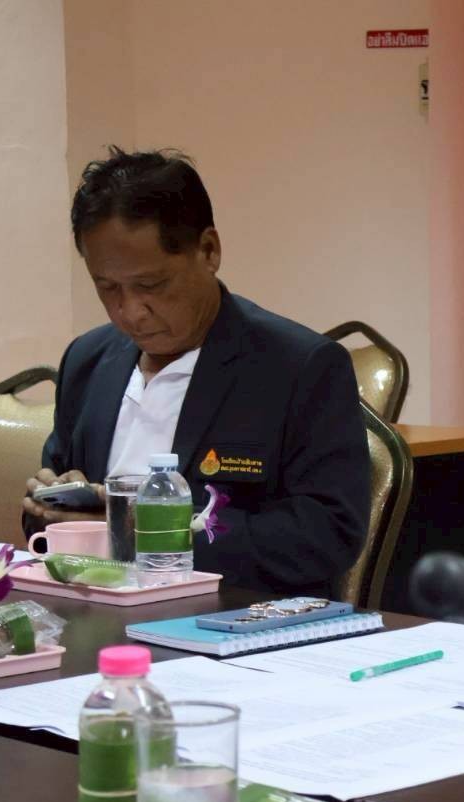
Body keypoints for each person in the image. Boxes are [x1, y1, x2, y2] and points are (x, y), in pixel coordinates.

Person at [22, 147, 372, 598]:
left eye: (151, 285)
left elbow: (327, 534)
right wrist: (50, 505)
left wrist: (154, 529)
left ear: (208, 250)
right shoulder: (88, 360)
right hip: (97, 608)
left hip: (226, 617)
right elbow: (46, 516)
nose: (130, 311)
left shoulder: (297, 367)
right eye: (107, 288)